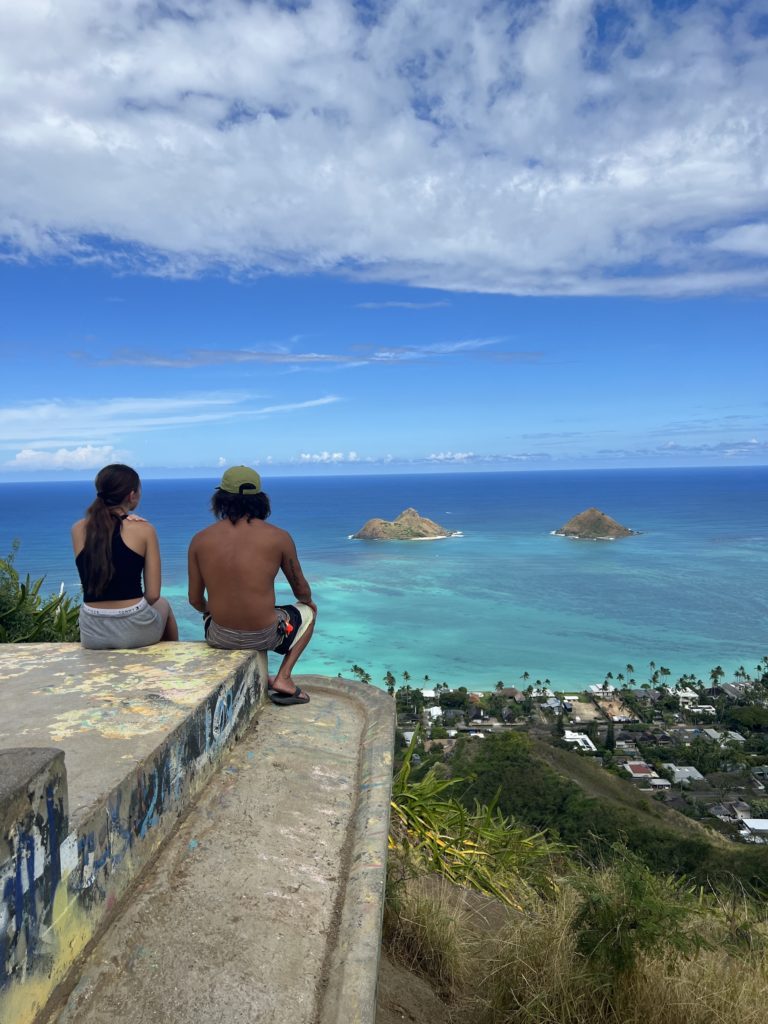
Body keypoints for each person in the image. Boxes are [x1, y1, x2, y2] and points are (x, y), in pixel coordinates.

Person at [187, 466, 316, 706]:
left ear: (221, 499)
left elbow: (195, 600)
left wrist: (213, 610)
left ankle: (271, 675)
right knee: (309, 612)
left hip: (218, 636)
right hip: (265, 635)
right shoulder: (279, 537)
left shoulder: (200, 539)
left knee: (212, 612)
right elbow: (302, 591)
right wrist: (307, 602)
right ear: (260, 499)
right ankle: (284, 678)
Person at [71, 464, 178, 649]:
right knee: (164, 604)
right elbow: (153, 595)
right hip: (134, 628)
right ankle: (170, 665)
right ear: (131, 495)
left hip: (92, 631)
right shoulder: (145, 530)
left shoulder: (78, 529)